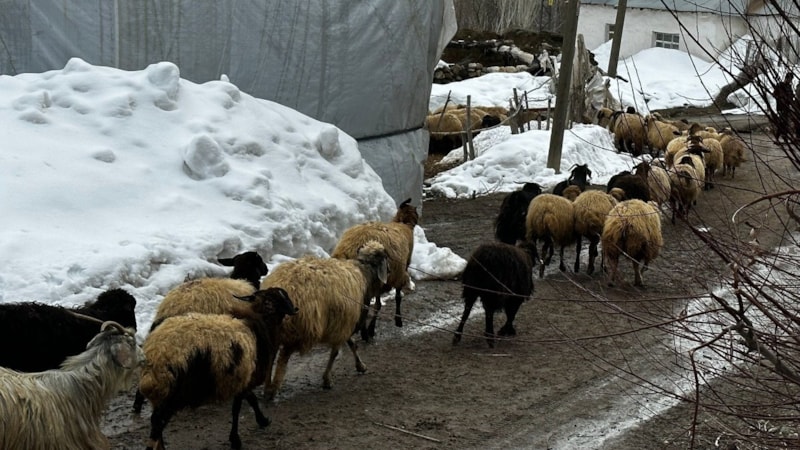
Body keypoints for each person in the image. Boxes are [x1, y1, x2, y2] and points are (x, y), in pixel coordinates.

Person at [772, 72, 795, 142]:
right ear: (787, 78)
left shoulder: (789, 86)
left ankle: (785, 138)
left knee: (786, 123)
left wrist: (791, 98)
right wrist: (780, 98)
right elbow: (774, 94)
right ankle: (777, 138)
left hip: (787, 107)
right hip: (781, 107)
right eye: (790, 79)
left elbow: (791, 95)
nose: (790, 81)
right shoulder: (780, 85)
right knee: (782, 123)